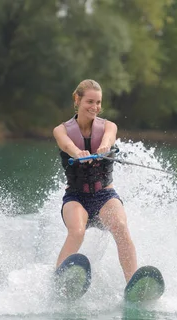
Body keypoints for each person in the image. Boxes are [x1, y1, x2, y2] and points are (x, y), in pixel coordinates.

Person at [53, 79, 137, 283]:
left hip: (104, 196)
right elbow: (66, 145)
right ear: (77, 99)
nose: (95, 107)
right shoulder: (61, 130)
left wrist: (105, 147)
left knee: (120, 226)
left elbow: (109, 137)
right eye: (90, 101)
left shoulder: (109, 126)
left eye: (98, 102)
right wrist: (77, 152)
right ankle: (58, 282)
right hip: (76, 198)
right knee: (77, 231)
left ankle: (133, 283)